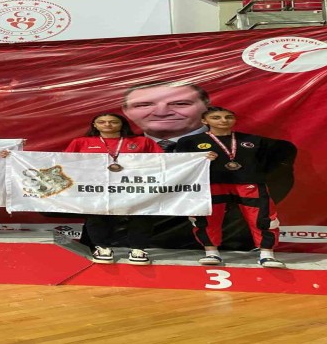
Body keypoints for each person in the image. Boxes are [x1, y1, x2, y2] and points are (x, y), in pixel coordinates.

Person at [176, 107, 295, 269]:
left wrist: (257, 171)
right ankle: (211, 252)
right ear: (204, 121)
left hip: (248, 182)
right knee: (206, 217)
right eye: (216, 117)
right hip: (210, 182)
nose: (223, 120)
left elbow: (283, 151)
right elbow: (179, 163)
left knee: (262, 217)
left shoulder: (252, 140)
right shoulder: (189, 141)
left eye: (228, 117)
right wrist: (197, 157)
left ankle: (267, 254)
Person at [63, 113, 164, 265]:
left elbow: (163, 161)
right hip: (96, 187)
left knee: (141, 215)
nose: (107, 125)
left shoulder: (142, 141)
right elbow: (65, 163)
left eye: (113, 122)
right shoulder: (81, 142)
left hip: (134, 186)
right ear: (95, 125)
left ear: (122, 124)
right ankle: (102, 248)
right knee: (96, 215)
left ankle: (138, 249)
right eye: (102, 122)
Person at [122, 81, 210, 151]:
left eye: (180, 104)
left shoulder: (219, 142)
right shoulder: (120, 147)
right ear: (126, 111)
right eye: (144, 105)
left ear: (207, 106)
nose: (161, 113)